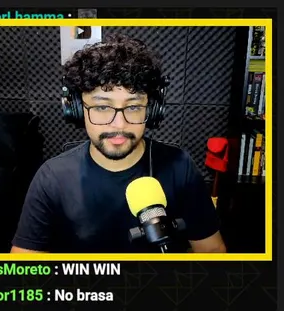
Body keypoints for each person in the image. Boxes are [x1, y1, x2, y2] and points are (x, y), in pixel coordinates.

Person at [12, 36, 226, 254]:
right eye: (102, 107)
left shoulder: (179, 167)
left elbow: (212, 252)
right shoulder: (52, 177)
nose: (119, 124)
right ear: (77, 110)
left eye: (133, 107)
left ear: (152, 110)